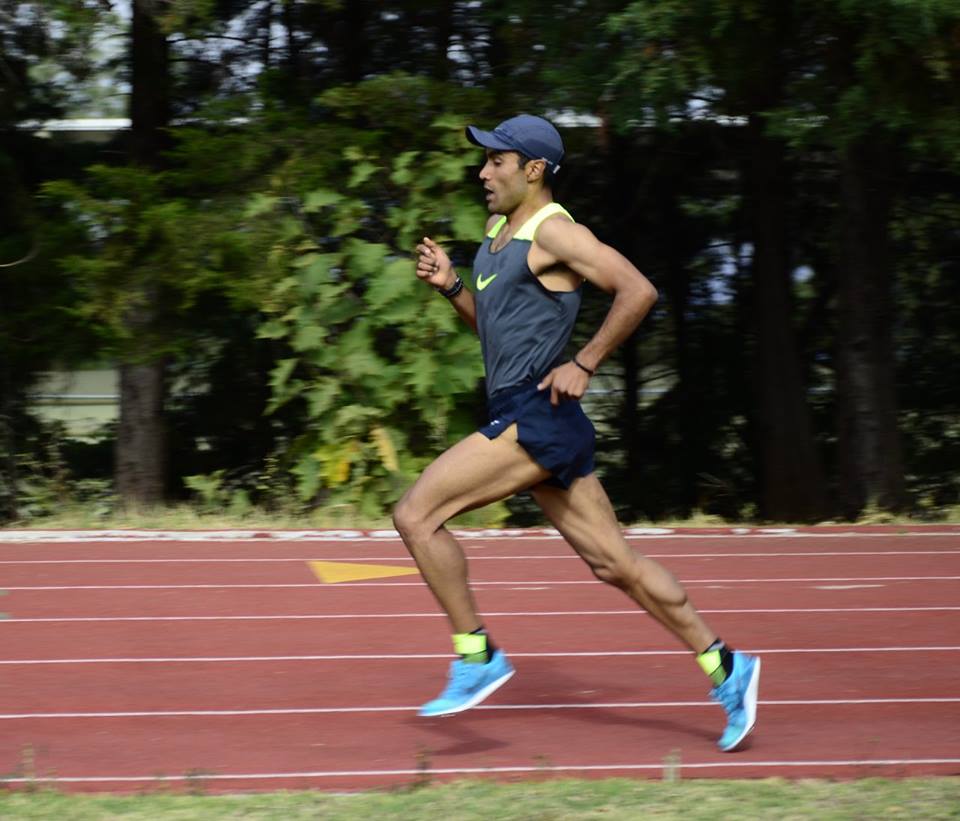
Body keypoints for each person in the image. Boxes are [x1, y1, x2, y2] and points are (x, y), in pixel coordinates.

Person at [393, 114, 760, 751]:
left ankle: (476, 655)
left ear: (532, 170)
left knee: (416, 515)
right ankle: (727, 667)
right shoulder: (497, 235)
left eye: (496, 162)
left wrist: (585, 361)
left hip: (538, 415)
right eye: (484, 162)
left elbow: (638, 290)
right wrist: (452, 285)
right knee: (615, 564)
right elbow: (496, 334)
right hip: (529, 414)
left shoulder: (556, 232)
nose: (483, 173)